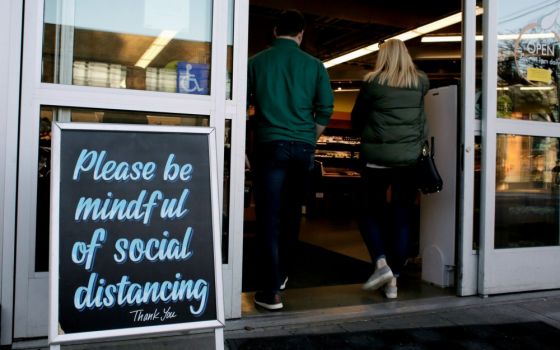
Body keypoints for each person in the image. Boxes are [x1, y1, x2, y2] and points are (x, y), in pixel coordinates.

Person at [247, 9, 334, 310]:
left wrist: (246, 149)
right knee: (292, 214)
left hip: (270, 146)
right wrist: (309, 137)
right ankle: (282, 273)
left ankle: (270, 291)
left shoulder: (255, 63)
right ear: (301, 34)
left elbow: (238, 105)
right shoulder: (315, 66)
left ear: (274, 31)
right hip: (302, 149)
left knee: (268, 218)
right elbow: (325, 109)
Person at [351, 39, 429, 299]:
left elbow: (357, 119)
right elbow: (420, 119)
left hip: (377, 160)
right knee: (402, 216)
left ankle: (381, 264)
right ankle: (393, 281)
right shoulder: (420, 82)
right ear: (406, 56)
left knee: (367, 211)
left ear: (382, 57)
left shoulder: (373, 83)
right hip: (408, 160)